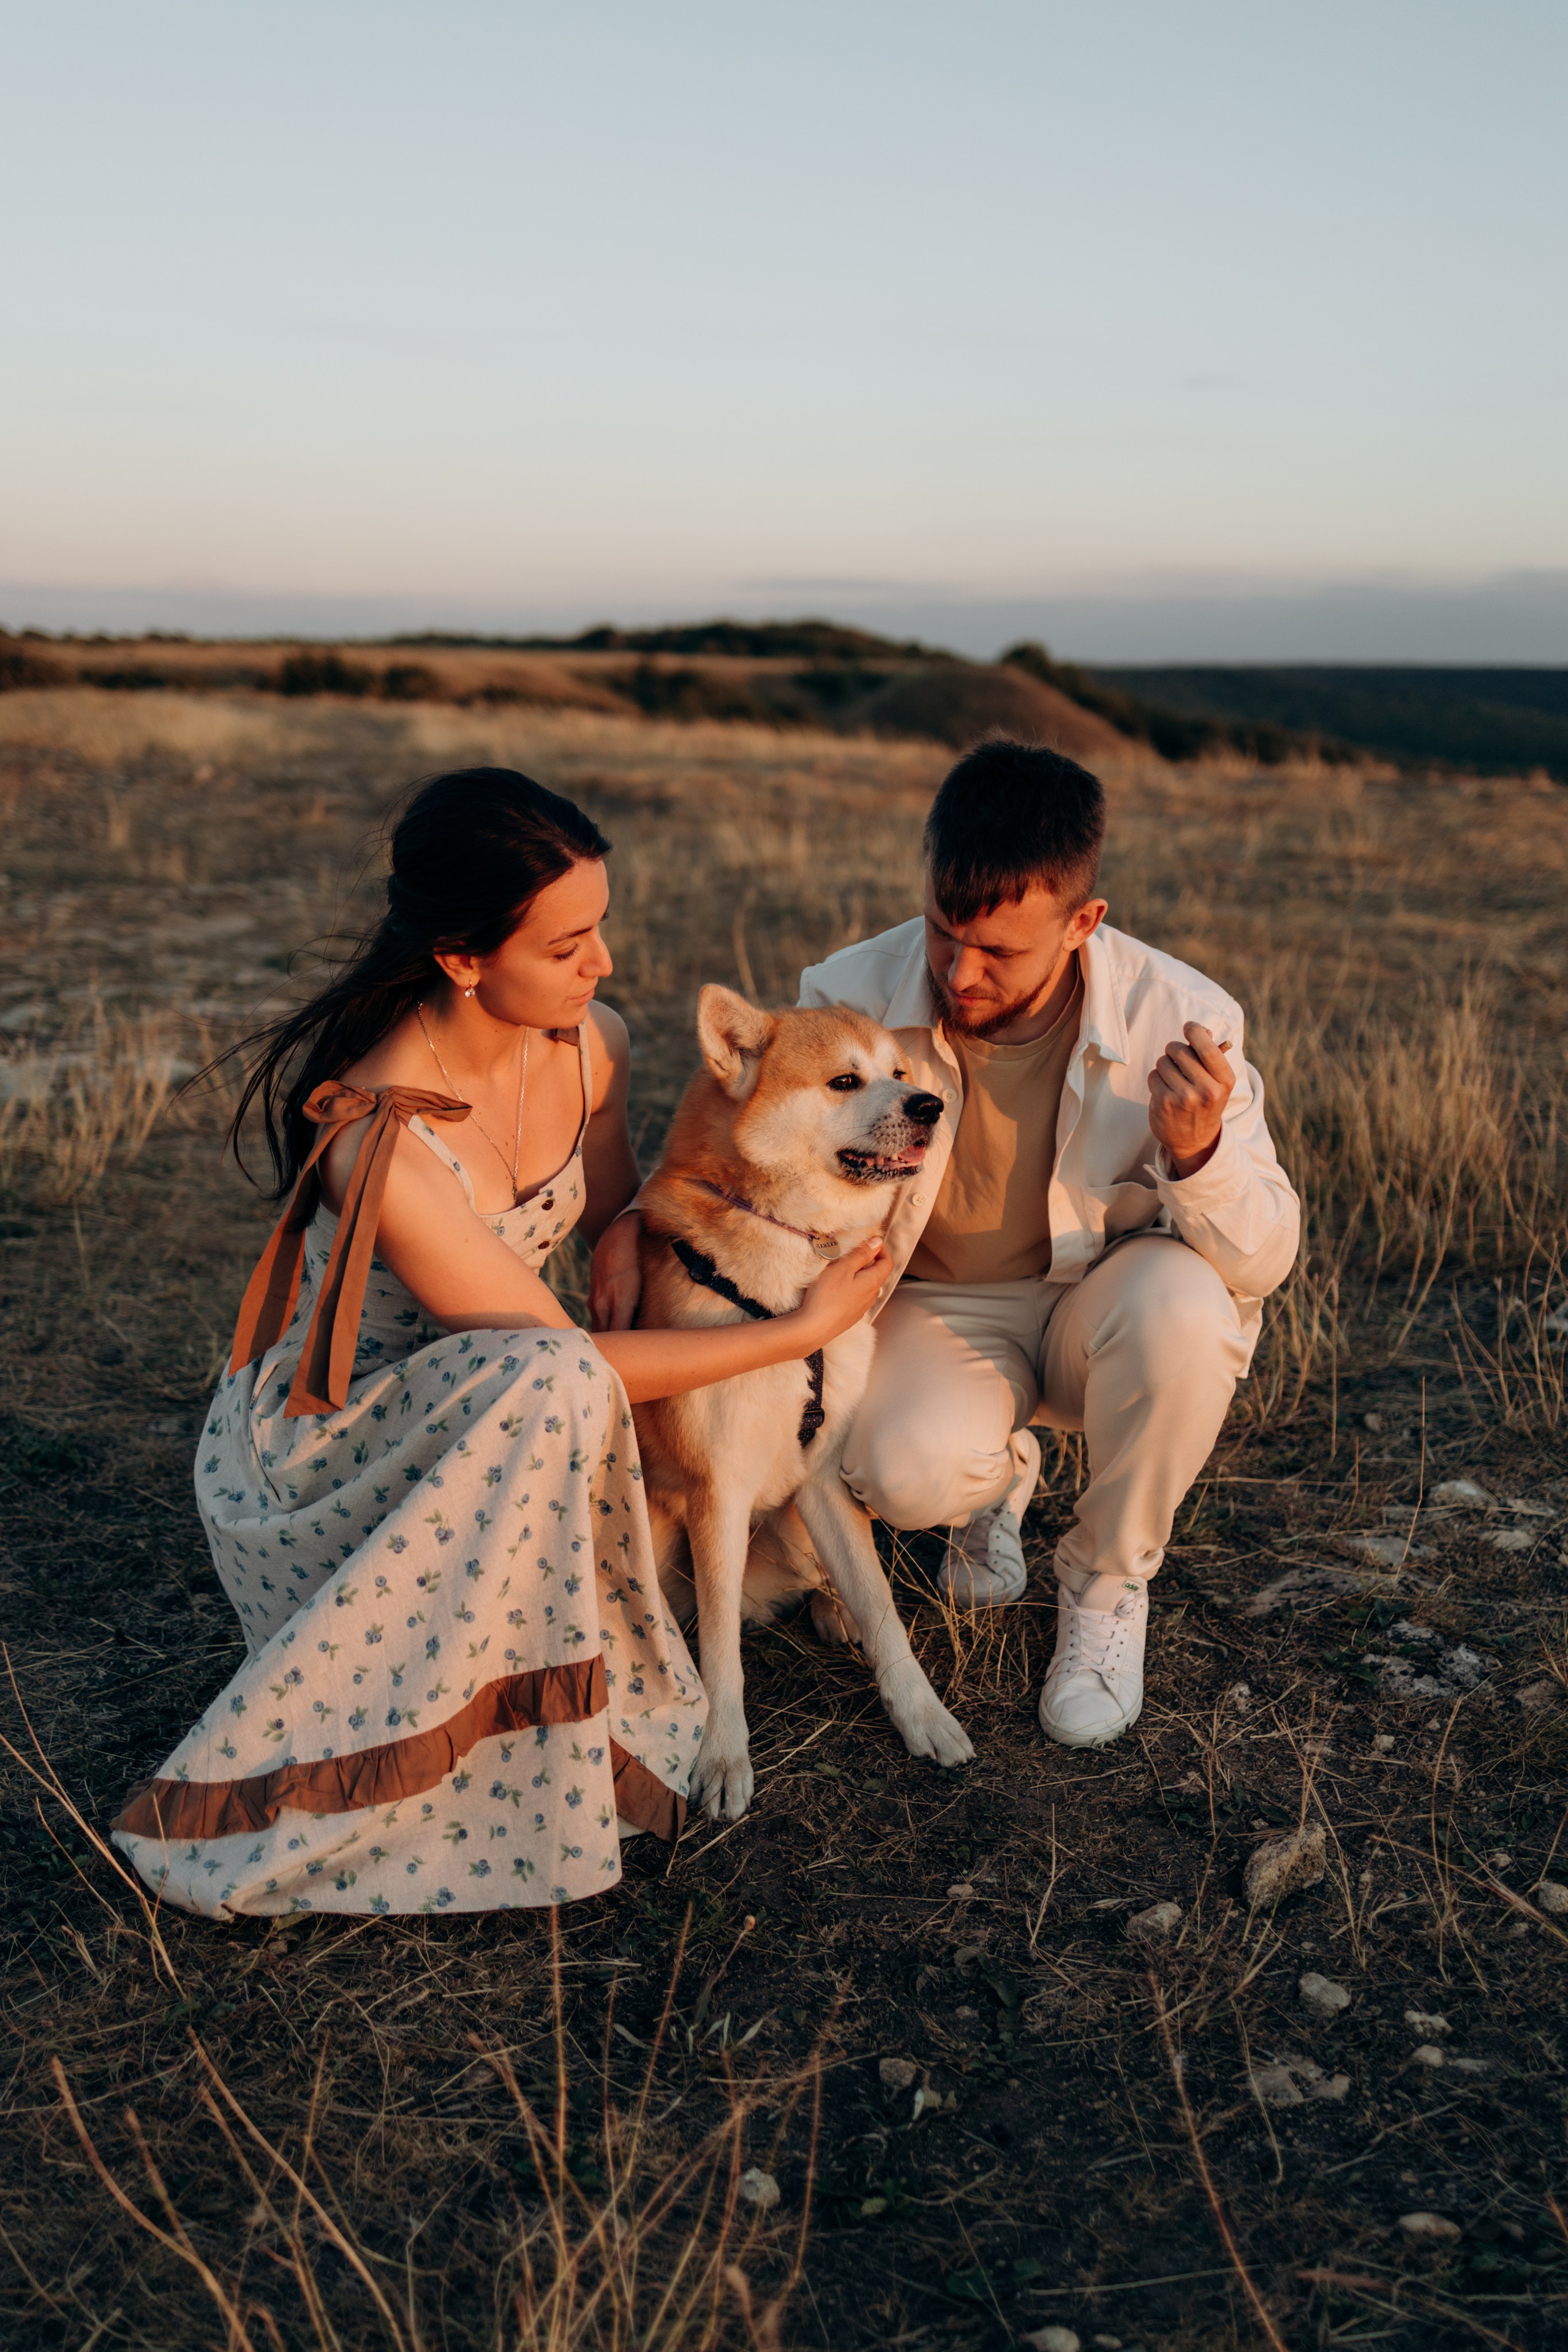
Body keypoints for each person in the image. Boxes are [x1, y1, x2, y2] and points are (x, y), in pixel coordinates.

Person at [113, 767, 884, 1918]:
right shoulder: (380, 1135)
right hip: (341, 1457)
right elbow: (569, 1367)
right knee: (556, 1378)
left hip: (503, 1401)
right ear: (465, 958)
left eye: (601, 930)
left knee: (552, 1381)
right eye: (569, 945)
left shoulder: (594, 1045)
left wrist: (624, 1230)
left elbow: (629, 1206)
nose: (604, 966)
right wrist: (804, 1330)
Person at [592, 739, 1299, 1749]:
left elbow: (1265, 1260)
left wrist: (1200, 1160)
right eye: (941, 934)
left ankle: (1104, 1590)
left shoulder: (1183, 1019)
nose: (960, 974)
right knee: (892, 1466)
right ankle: (998, 1476)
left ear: (1084, 923)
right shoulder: (851, 990)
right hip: (937, 1309)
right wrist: (631, 1225)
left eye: (1000, 953)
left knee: (1187, 1309)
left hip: (1104, 1296)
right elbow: (743, 1142)